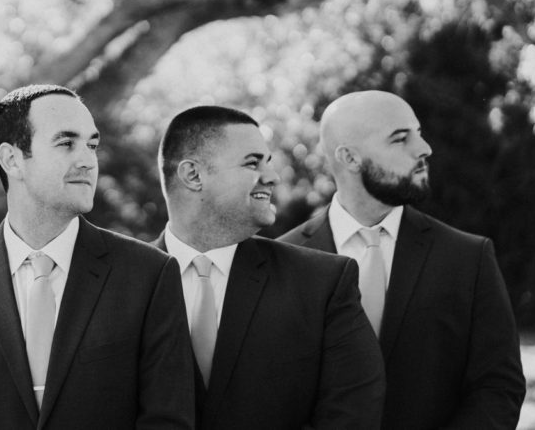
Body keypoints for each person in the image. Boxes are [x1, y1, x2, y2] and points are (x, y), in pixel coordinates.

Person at [0, 84, 194, 430]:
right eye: (66, 143)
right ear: (12, 159)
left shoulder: (150, 275)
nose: (87, 160)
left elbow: (169, 420)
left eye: (91, 145)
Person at [279, 90, 526, 429]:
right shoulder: (282, 261)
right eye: (400, 139)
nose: (424, 149)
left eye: (419, 134)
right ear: (350, 158)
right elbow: (267, 393)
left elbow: (498, 386)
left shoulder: (468, 257)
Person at [154, 106, 384, 429]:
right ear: (193, 175)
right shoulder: (121, 284)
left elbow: (353, 412)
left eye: (268, 162)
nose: (272, 177)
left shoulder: (324, 283)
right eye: (252, 163)